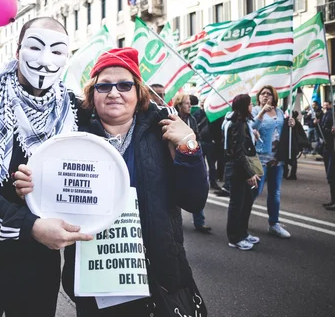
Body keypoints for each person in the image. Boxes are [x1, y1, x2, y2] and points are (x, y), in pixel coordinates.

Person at [17, 48, 209, 316]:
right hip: (97, 284)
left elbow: (194, 200)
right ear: (92, 94)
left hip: (160, 278)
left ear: (138, 92)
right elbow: (49, 201)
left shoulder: (164, 132)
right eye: (104, 85)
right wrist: (29, 187)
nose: (114, 92)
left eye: (124, 84)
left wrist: (189, 146)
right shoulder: (69, 139)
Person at [0, 17, 92, 317]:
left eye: (57, 51)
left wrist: (173, 129)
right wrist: (29, 226)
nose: (44, 60)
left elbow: (121, 118)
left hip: (40, 262)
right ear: (17, 50)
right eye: (35, 47)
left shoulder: (74, 110)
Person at [252, 85, 295, 239]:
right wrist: (262, 112)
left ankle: (274, 224)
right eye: (262, 94)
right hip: (260, 157)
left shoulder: (278, 112)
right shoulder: (256, 110)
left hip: (277, 158)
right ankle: (242, 217)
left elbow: (283, 131)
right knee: (255, 190)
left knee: (275, 193)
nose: (265, 96)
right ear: (258, 97)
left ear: (274, 97)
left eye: (268, 94)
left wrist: (291, 123)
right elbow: (252, 127)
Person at [224, 94, 260, 251]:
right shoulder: (236, 123)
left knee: (246, 202)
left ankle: (243, 233)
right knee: (237, 204)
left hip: (243, 168)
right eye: (250, 104)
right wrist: (249, 173)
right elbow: (237, 153)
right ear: (244, 106)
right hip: (238, 170)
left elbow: (246, 147)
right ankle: (234, 238)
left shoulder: (243, 122)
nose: (252, 107)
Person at [174, 94, 212, 233]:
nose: (190, 106)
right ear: (179, 105)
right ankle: (176, 219)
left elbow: (197, 138)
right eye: (186, 103)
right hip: (176, 160)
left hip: (190, 158)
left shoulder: (192, 119)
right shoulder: (172, 119)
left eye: (190, 103)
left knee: (196, 189)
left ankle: (199, 222)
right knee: (176, 192)